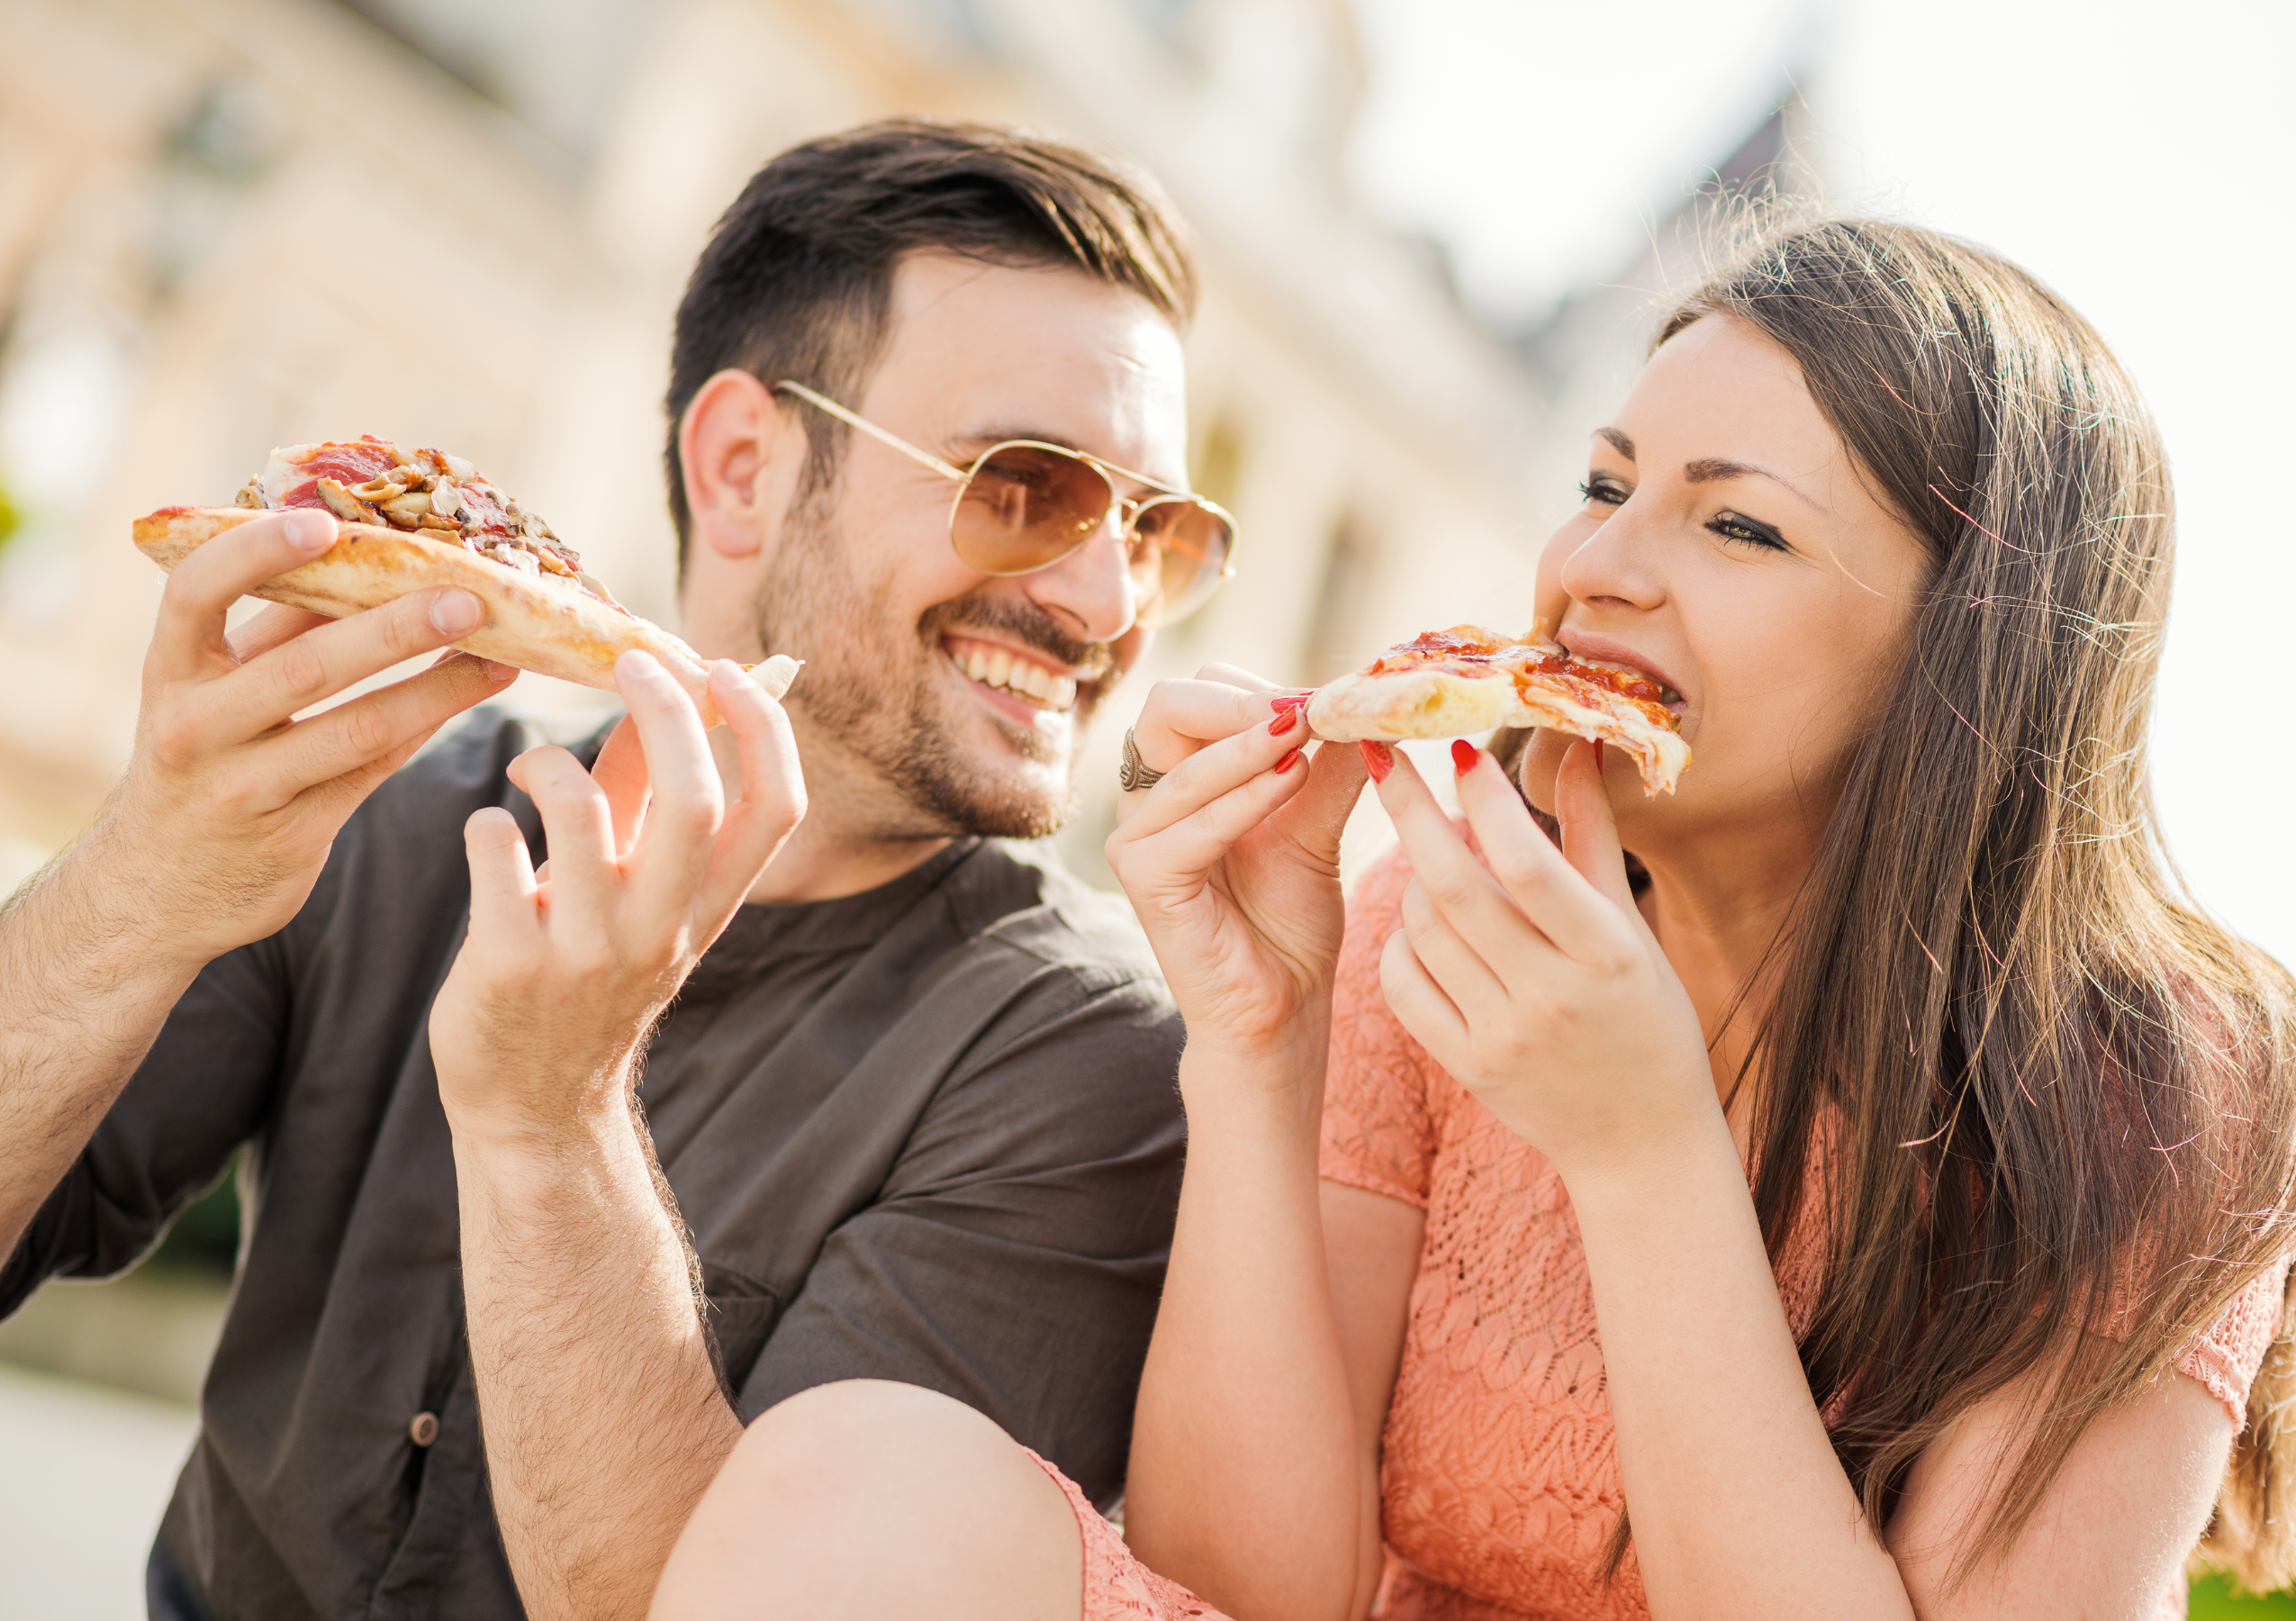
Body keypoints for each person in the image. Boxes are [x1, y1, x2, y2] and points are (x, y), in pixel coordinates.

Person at [639, 220, 2296, 1621]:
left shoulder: (2173, 1097)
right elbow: (1241, 1582)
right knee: (863, 1467)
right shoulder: (1428, 926)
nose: (1593, 568)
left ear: (1969, 661)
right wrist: (1258, 1036)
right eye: (1602, 481)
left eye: (1735, 525)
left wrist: (1641, 1150)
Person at [0, 118, 1225, 1620]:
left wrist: (552, 1122)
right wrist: (146, 876)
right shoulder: (387, 803)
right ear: (742, 469)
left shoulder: (1093, 1068)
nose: (1105, 597)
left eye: (1156, 529)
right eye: (1025, 485)